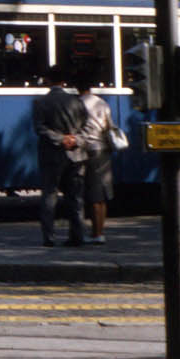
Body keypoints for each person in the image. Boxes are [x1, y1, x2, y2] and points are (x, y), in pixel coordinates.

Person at [33, 69, 89, 247]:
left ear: (48, 80)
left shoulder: (41, 102)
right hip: (76, 154)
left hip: (51, 154)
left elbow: (40, 128)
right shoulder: (77, 101)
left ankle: (49, 237)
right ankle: (78, 235)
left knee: (50, 195)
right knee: (75, 197)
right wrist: (75, 139)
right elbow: (87, 127)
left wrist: (60, 139)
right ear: (64, 81)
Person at [75, 76, 115, 244]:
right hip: (102, 150)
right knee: (101, 194)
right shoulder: (101, 103)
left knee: (91, 195)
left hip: (87, 149)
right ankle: (100, 231)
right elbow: (109, 127)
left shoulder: (77, 104)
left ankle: (96, 234)